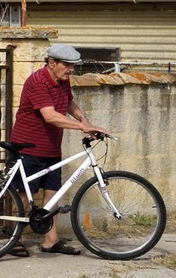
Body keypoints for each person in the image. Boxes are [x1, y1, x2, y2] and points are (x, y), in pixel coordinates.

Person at [7, 42, 108, 257]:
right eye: (67, 65)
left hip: (51, 147)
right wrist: (83, 127)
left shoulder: (62, 80)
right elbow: (50, 116)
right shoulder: (38, 81)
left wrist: (84, 119)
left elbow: (69, 103)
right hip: (29, 146)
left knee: (52, 195)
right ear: (52, 63)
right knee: (24, 195)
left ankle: (51, 240)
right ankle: (14, 238)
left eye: (73, 65)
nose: (71, 69)